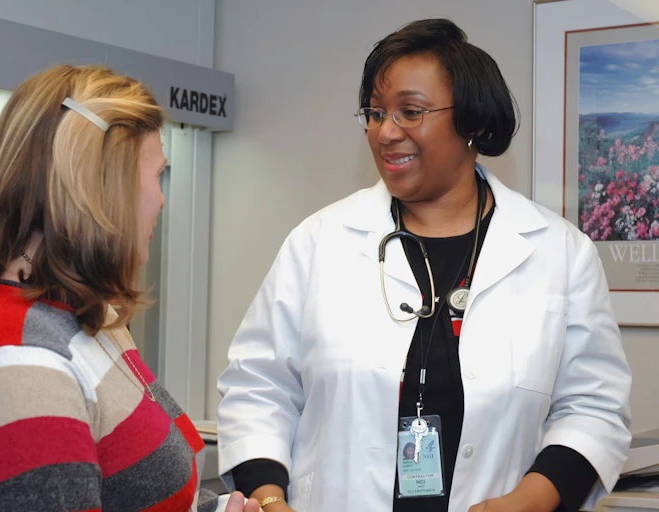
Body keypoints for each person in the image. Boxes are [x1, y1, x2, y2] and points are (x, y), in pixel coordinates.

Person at [216, 19, 631, 512]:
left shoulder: (559, 253)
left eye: (410, 112)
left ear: (473, 122)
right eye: (374, 113)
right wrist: (269, 499)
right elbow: (257, 389)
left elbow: (593, 409)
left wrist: (528, 501)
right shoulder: (319, 242)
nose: (386, 132)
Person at [0, 64, 259, 512]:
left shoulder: (84, 316)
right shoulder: (14, 361)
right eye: (155, 173)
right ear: (101, 186)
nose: (160, 198)